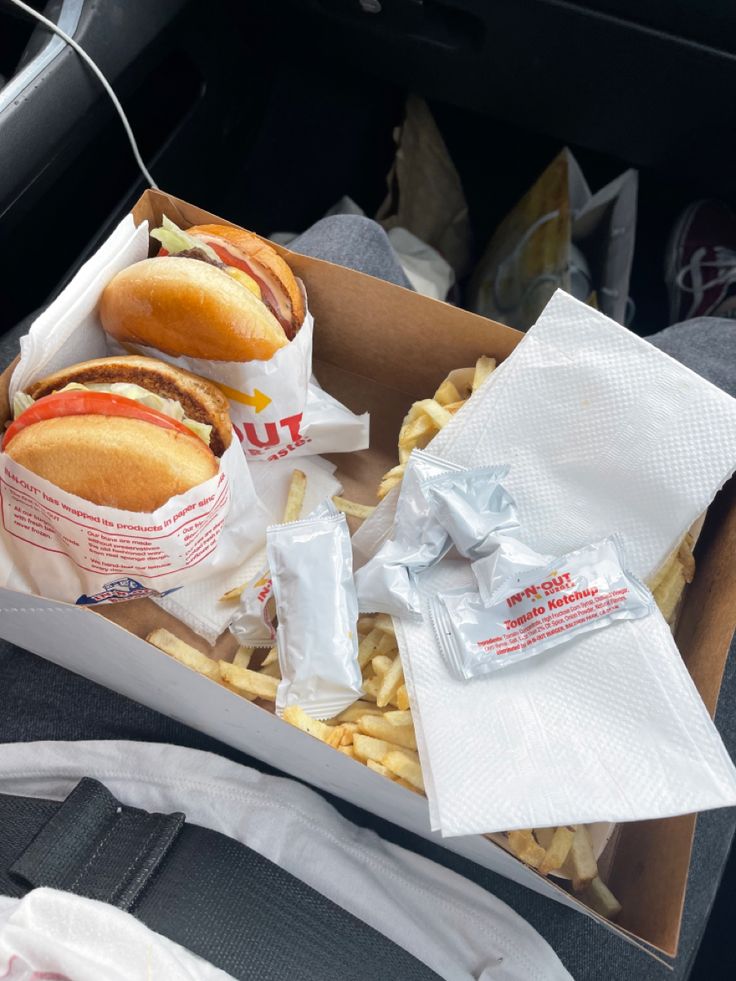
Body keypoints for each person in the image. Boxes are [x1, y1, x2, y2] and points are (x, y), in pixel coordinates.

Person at [0, 202, 735, 981]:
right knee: (714, 359)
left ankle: (456, 261)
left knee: (349, 245)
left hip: (40, 773)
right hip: (491, 930)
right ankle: (623, 300)